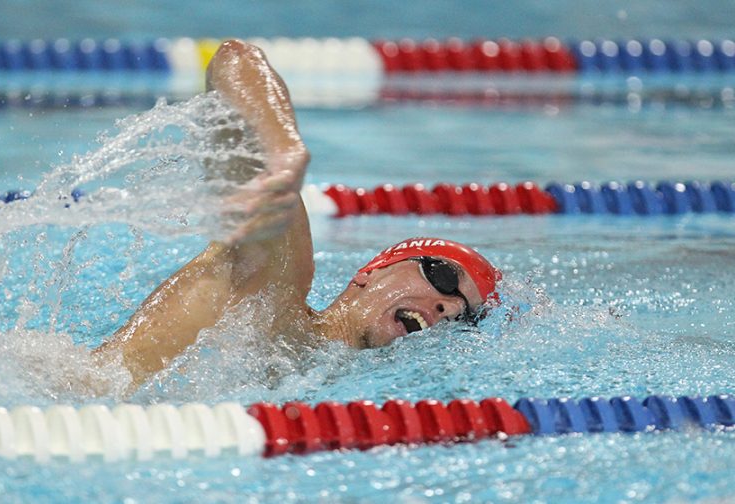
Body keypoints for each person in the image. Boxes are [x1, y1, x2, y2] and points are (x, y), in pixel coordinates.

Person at [95, 40, 501, 388]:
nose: (450, 307)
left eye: (465, 316)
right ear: (372, 271)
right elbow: (234, 59)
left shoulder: (326, 378)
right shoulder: (275, 289)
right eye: (443, 276)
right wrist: (281, 149)